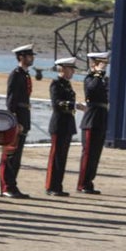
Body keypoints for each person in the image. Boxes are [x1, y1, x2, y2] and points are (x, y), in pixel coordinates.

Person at [0, 44, 36, 199]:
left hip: (24, 116)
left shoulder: (25, 74)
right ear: (21, 57)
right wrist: (15, 120)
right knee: (11, 155)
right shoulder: (15, 74)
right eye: (29, 56)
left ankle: (13, 185)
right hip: (18, 118)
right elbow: (11, 100)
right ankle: (7, 186)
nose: (32, 58)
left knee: (17, 157)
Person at [77, 51, 110, 193]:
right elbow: (91, 90)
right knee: (88, 154)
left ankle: (89, 181)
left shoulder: (104, 79)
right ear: (94, 64)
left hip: (101, 119)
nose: (104, 66)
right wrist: (98, 73)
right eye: (101, 63)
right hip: (91, 120)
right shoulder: (90, 78)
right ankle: (82, 183)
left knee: (95, 154)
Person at [46, 56, 80, 197]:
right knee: (56, 157)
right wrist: (74, 105)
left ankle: (58, 185)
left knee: (62, 157)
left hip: (67, 124)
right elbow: (57, 104)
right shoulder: (56, 84)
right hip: (59, 124)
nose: (72, 72)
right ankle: (51, 186)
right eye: (70, 69)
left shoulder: (66, 84)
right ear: (63, 69)